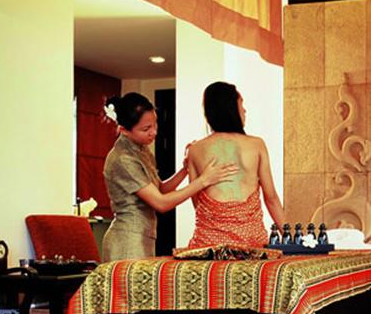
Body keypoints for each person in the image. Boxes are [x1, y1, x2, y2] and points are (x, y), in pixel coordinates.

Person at [101, 92, 237, 261]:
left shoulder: (141, 149)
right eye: (146, 129)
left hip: (143, 236)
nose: (154, 132)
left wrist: (184, 170)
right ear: (124, 130)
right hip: (127, 240)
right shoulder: (123, 158)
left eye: (155, 124)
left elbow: (160, 189)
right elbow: (161, 203)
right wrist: (204, 180)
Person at [186, 82, 285, 247]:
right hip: (251, 246)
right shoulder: (256, 145)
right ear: (231, 108)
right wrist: (291, 238)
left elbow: (197, 202)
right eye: (241, 104)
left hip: (209, 246)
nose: (245, 110)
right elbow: (271, 198)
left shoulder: (195, 150)